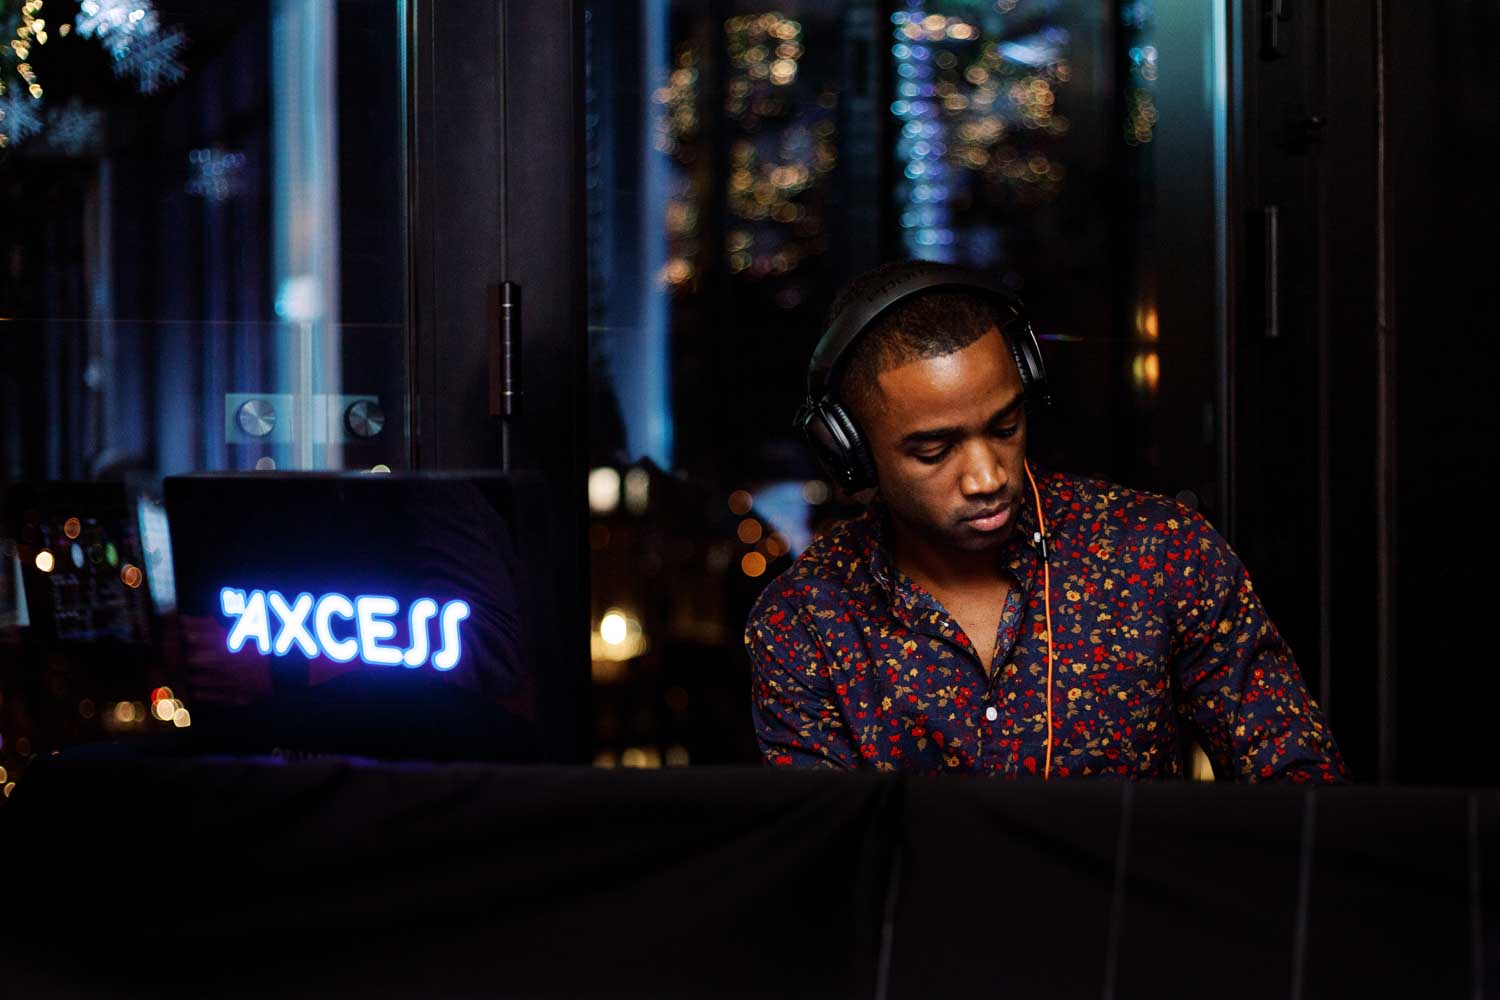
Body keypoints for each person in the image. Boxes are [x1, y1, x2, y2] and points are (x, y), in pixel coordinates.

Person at [745, 260, 1347, 781]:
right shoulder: (805, 622)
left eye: (1005, 428)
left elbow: (1297, 782)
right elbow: (822, 864)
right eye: (934, 451)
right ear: (853, 453)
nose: (987, 477)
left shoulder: (1159, 550)